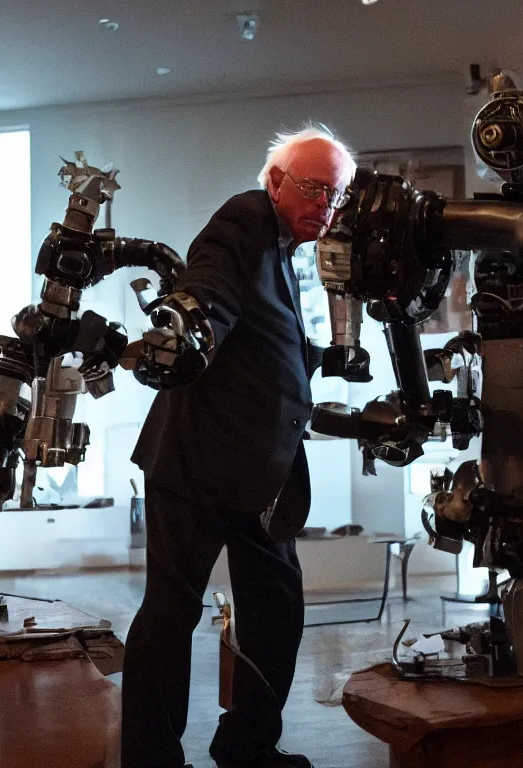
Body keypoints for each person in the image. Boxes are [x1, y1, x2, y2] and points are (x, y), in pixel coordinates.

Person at [122, 125, 356, 768]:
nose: (325, 207)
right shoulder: (247, 217)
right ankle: (151, 758)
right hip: (199, 461)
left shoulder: (284, 251)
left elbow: (261, 340)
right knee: (172, 611)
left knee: (274, 609)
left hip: (255, 466)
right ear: (276, 181)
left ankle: (247, 746)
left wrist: (321, 357)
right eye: (314, 189)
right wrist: (189, 326)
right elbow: (214, 293)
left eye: (334, 196)